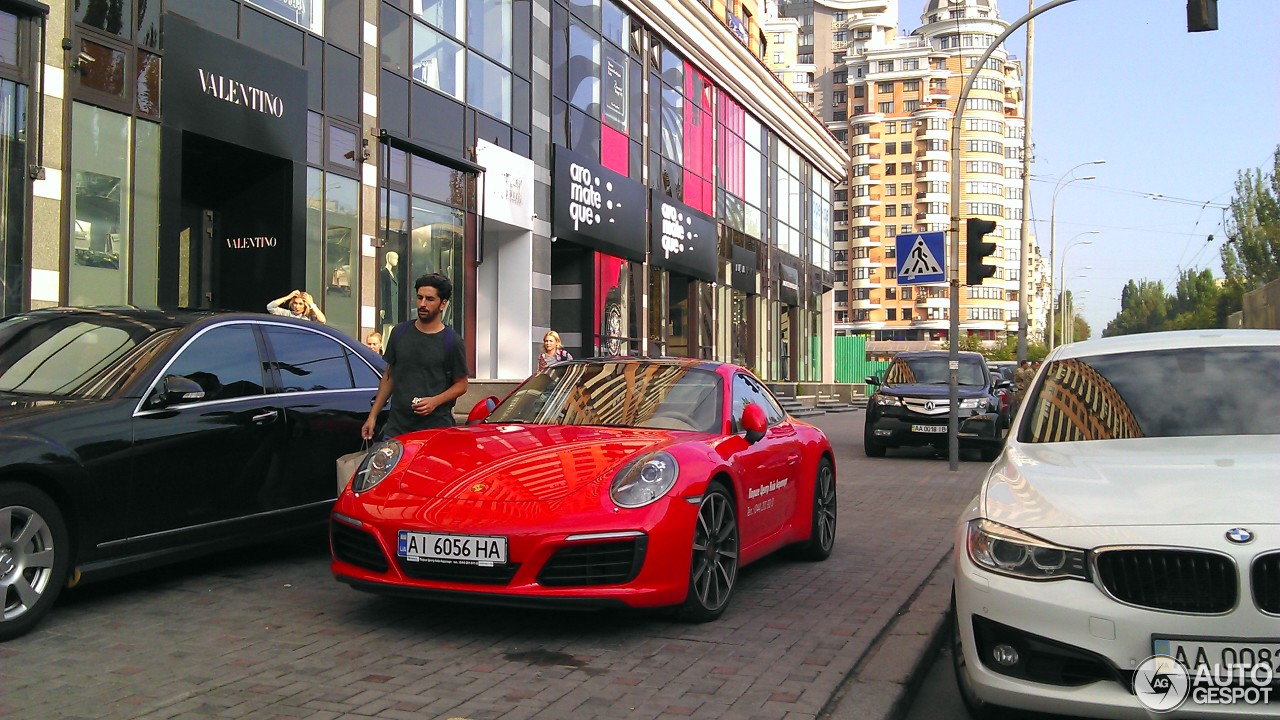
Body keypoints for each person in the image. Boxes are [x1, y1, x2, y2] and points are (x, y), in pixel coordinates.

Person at [362, 273, 468, 440]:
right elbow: (389, 377)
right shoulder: (400, 332)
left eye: (429, 299)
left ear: (443, 304)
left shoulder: (452, 341)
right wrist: (372, 416)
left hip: (434, 431)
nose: (422, 304)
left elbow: (461, 385)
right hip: (397, 429)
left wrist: (435, 401)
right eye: (419, 298)